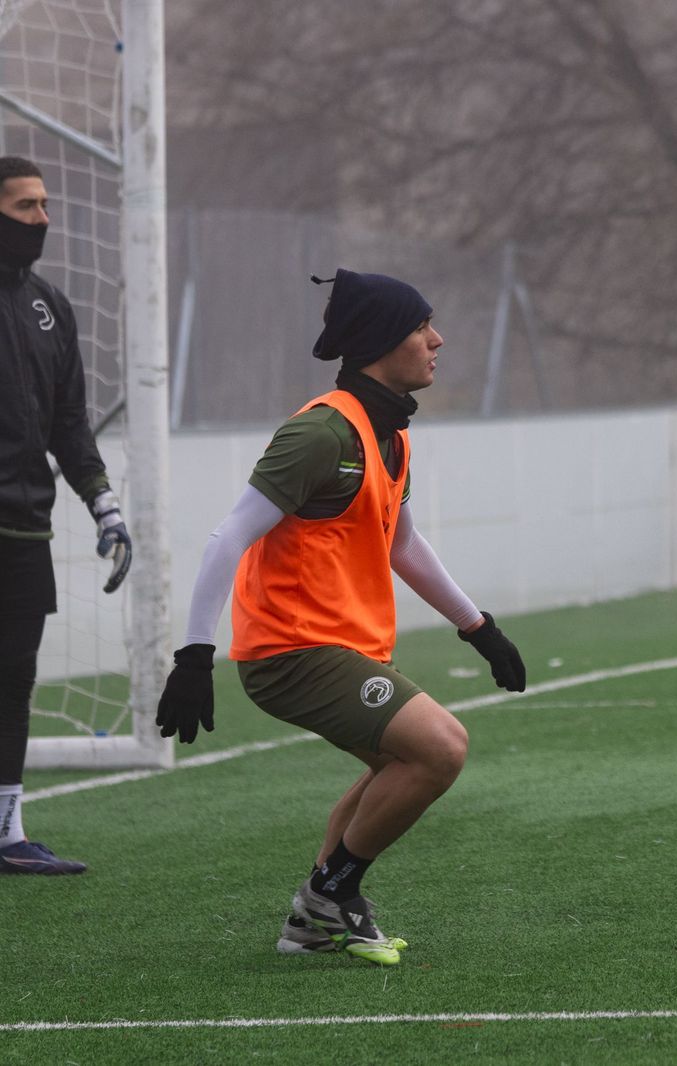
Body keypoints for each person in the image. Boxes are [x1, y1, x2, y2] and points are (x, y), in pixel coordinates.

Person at [155, 268, 527, 965]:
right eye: (423, 328)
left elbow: (404, 544)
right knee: (442, 746)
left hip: (345, 649)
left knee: (397, 765)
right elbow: (227, 535)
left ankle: (312, 923)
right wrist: (194, 656)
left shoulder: (390, 435)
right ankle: (332, 893)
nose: (437, 340)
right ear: (386, 341)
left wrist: (479, 627)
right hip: (291, 651)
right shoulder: (323, 432)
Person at [0, 156, 132, 876]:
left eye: (45, 205)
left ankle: (6, 832)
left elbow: (70, 425)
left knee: (14, 679)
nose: (43, 219)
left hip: (25, 531)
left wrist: (103, 503)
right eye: (25, 206)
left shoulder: (50, 305)